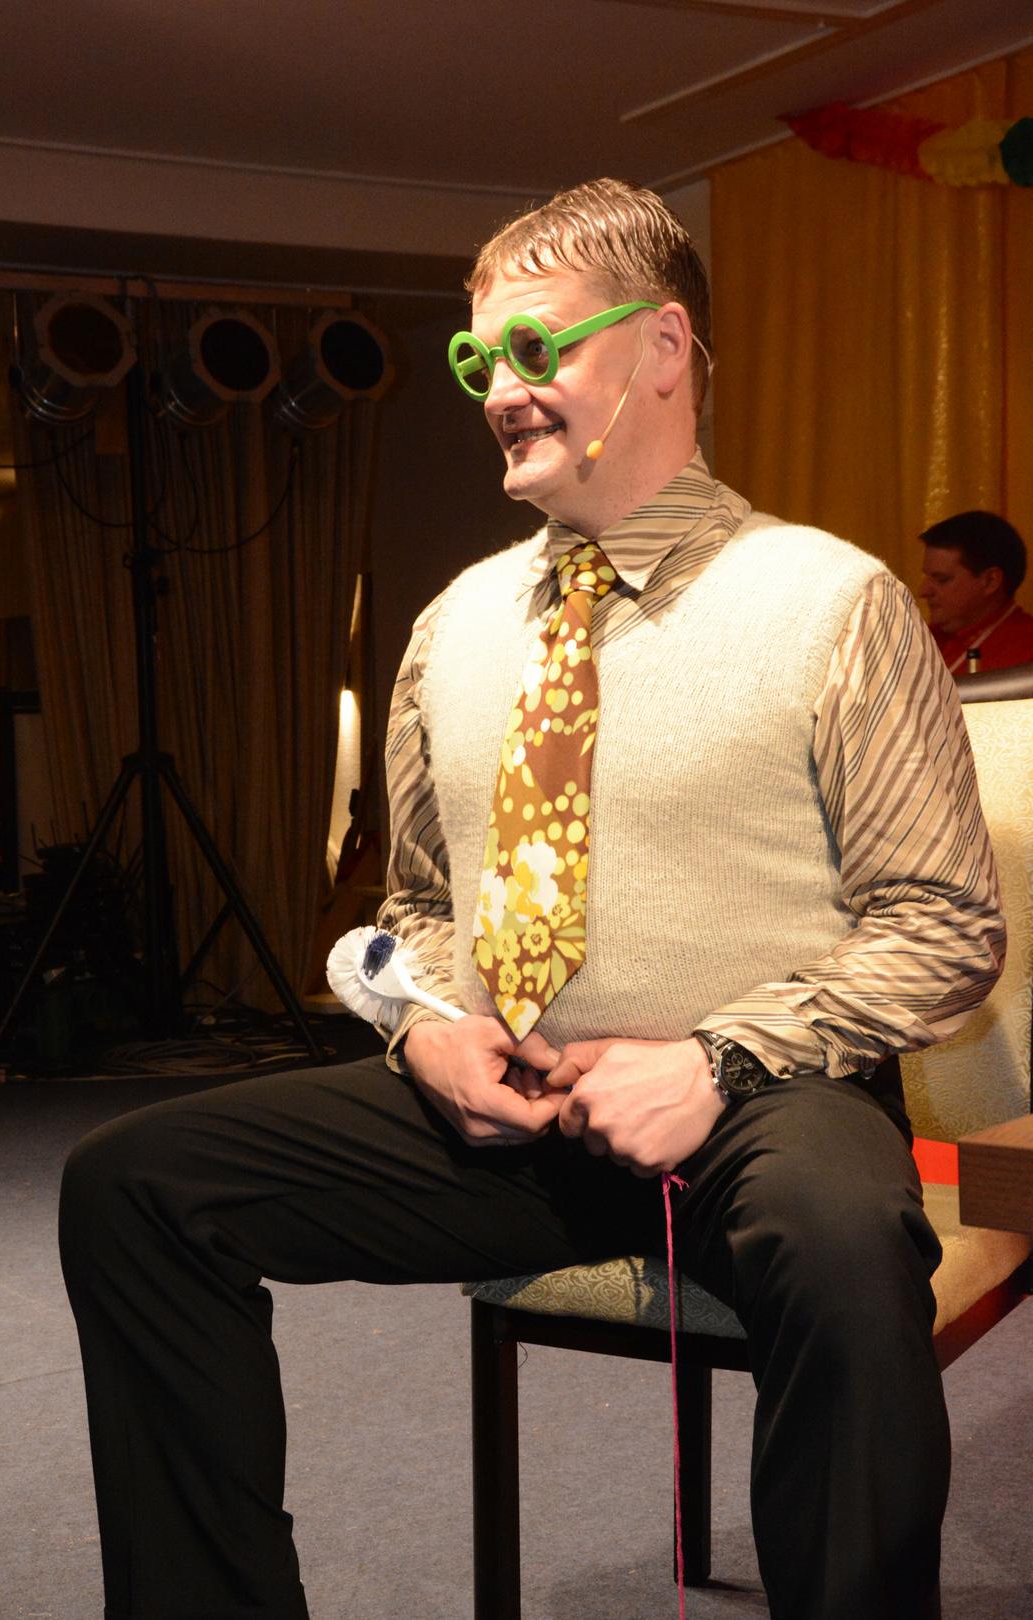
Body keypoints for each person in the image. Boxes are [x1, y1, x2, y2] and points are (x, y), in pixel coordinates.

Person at [60, 179, 1005, 1620]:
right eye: (476, 358)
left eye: (534, 349)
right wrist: (425, 1027)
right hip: (513, 1113)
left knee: (844, 1248)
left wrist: (718, 1060)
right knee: (132, 1190)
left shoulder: (832, 602)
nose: (497, 390)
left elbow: (944, 924)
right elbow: (417, 908)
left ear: (666, 346)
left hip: (764, 1104)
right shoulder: (453, 625)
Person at [920, 509, 1033, 674]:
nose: (923, 591)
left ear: (990, 581)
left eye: (942, 580)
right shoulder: (923, 640)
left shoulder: (1026, 654)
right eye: (927, 577)